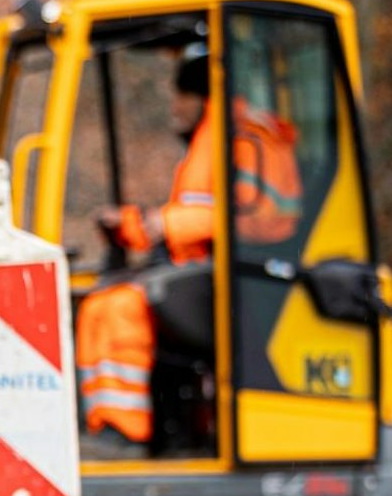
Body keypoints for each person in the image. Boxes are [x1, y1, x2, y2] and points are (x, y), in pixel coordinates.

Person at [76, 44, 302, 453]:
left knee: (123, 308)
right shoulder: (210, 140)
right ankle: (108, 427)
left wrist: (165, 224)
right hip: (200, 270)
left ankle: (124, 432)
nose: (174, 108)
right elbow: (188, 216)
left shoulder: (249, 138)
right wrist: (130, 225)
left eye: (179, 97)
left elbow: (260, 218)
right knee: (97, 305)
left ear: (202, 95)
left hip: (243, 278)